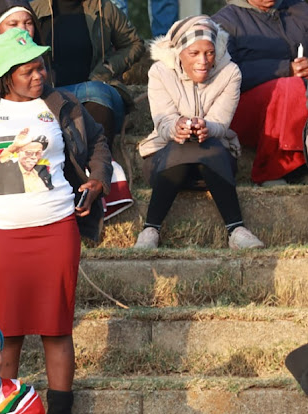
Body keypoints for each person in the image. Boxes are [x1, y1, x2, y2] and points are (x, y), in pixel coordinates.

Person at [0, 30, 112, 414]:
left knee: (57, 330)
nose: (38, 75)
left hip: (56, 228)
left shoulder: (60, 105)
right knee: (8, 333)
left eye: (40, 67)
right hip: (1, 235)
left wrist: (95, 181)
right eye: (28, 71)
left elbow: (97, 141)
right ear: (6, 76)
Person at [135, 16, 264, 250]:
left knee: (208, 145)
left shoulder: (230, 72)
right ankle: (151, 230)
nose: (203, 61)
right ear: (179, 52)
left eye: (210, 53)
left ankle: (236, 231)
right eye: (194, 54)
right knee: (181, 145)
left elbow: (221, 124)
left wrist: (207, 128)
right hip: (166, 162)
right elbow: (163, 120)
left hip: (214, 165)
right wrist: (177, 128)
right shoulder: (159, 72)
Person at [212, 0, 308, 186]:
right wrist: (284, 69)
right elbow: (224, 75)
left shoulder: (300, 9)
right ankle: (273, 169)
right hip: (246, 110)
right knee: (290, 87)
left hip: (299, 100)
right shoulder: (224, 22)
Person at [31, 0, 144, 149]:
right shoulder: (35, 9)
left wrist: (109, 67)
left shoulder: (104, 7)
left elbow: (134, 43)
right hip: (53, 95)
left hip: (100, 93)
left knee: (96, 92)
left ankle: (100, 164)